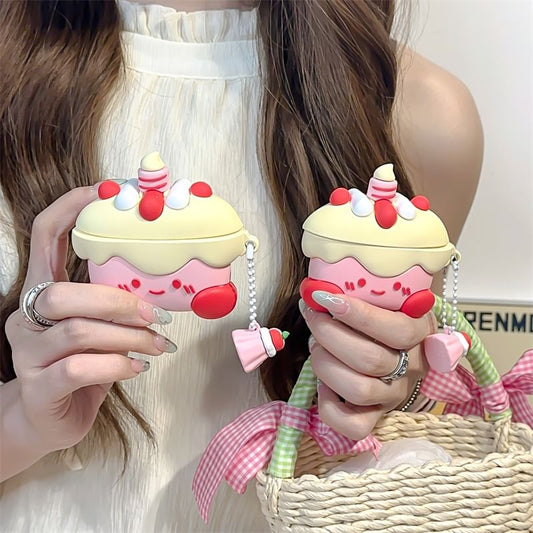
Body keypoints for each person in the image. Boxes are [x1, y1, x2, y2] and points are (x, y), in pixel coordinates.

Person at [0, 0, 483, 531]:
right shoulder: (13, 57)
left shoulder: (417, 110)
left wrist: (392, 387)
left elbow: (408, 401)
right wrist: (22, 420)